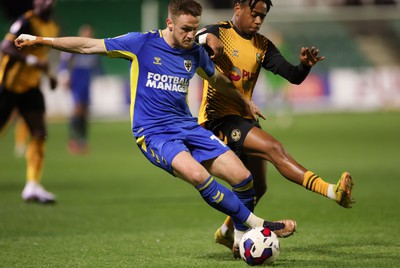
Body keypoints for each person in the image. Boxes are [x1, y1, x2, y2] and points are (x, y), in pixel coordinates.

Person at [15, 0, 296, 257]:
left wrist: (243, 100)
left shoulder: (196, 53)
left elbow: (219, 80)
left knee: (244, 178)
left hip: (188, 127)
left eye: (194, 29)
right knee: (198, 175)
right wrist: (41, 40)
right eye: (186, 29)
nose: (190, 35)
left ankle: (236, 235)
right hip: (154, 134)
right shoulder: (140, 43)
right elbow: (88, 45)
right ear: (170, 23)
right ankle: (258, 225)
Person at [195, 0, 354, 251]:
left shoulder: (262, 45)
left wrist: (304, 66)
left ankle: (227, 231)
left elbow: (292, 76)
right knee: (274, 149)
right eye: (254, 14)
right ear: (238, 8)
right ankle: (333, 192)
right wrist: (205, 40)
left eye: (263, 17)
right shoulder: (219, 31)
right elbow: (197, 35)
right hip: (218, 120)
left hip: (245, 119)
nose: (258, 21)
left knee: (259, 186)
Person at [0, 0, 59, 204]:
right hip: (8, 86)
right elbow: (6, 47)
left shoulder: (53, 27)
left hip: (31, 88)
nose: (47, 2)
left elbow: (41, 56)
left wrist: (49, 74)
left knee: (39, 133)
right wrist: (32, 62)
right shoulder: (25, 21)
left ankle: (32, 185)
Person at [58, 24, 103, 154]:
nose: (88, 35)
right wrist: (64, 76)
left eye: (90, 33)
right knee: (77, 109)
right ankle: (73, 140)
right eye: (86, 32)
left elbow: (98, 67)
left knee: (85, 111)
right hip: (76, 79)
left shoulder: (94, 48)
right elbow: (64, 61)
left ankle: (82, 140)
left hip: (86, 80)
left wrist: (101, 79)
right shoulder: (75, 46)